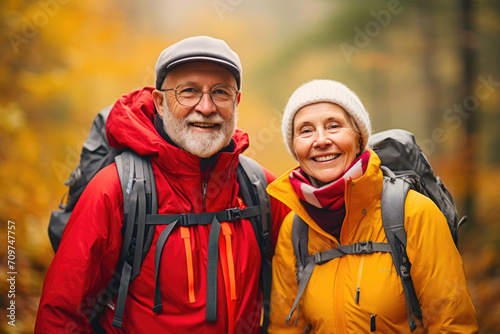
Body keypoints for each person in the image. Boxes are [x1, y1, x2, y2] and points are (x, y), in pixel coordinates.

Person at [35, 36, 289, 333]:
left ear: (236, 102)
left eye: (220, 92)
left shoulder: (260, 188)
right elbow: (62, 314)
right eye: (189, 91)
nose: (206, 107)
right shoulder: (117, 189)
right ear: (159, 102)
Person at [267, 79, 478, 333]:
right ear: (295, 147)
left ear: (359, 138)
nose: (321, 140)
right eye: (305, 131)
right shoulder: (295, 228)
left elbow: (452, 325)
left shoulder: (413, 213)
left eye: (334, 126)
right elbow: (285, 328)